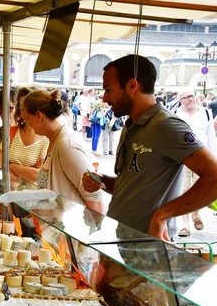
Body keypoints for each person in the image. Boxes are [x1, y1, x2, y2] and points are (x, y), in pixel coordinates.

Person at [82, 55, 217, 241]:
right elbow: (133, 186)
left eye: (108, 90)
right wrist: (102, 181)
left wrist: (163, 214)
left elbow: (214, 177)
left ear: (132, 86)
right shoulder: (130, 125)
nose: (104, 98)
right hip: (120, 240)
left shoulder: (167, 125)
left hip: (148, 250)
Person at [22, 90, 104, 212]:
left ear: (39, 116)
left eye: (27, 119)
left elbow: (95, 201)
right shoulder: (55, 139)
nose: (27, 124)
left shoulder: (67, 145)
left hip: (67, 227)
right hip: (53, 226)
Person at [174, 89, 217, 237]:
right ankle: (185, 225)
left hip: (203, 157)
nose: (190, 100)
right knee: (184, 191)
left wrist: (214, 158)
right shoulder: (176, 114)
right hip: (183, 158)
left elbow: (211, 135)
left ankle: (195, 214)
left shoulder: (206, 113)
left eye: (191, 96)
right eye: (185, 97)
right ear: (181, 100)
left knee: (201, 190)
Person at [0, 86, 49, 189]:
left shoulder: (45, 139)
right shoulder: (11, 131)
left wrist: (10, 165)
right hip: (7, 192)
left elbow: (37, 175)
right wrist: (25, 172)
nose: (24, 112)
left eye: (28, 107)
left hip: (30, 198)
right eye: (21, 107)